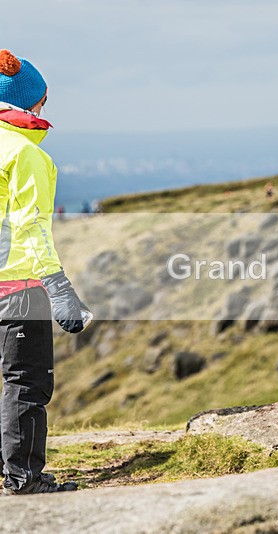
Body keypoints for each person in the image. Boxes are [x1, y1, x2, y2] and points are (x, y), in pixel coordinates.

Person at [0, 49, 90, 494]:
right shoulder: (24, 153)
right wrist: (58, 285)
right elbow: (31, 226)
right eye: (44, 99)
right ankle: (24, 479)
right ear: (31, 103)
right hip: (17, 286)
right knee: (26, 383)